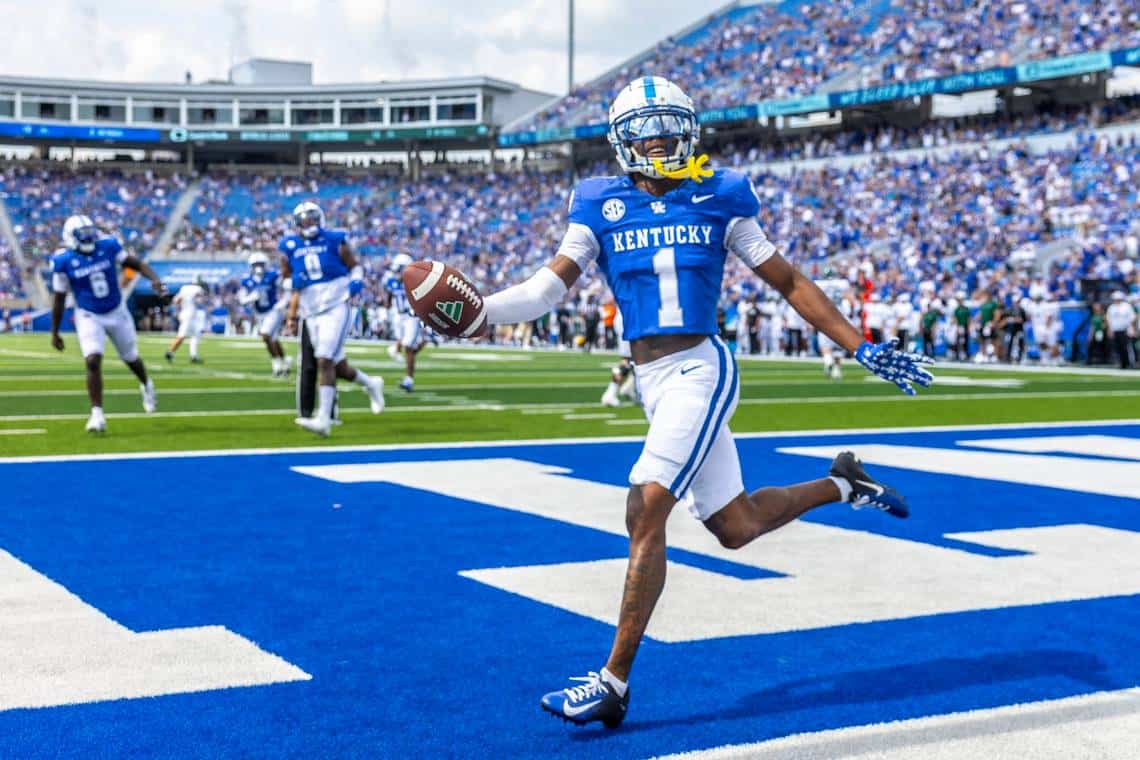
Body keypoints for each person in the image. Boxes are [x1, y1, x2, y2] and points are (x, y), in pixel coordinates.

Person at [471, 77, 934, 727]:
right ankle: (843, 483)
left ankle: (614, 682)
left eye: (670, 127)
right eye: (647, 130)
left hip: (700, 367)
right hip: (651, 381)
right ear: (623, 140)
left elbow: (789, 279)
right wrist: (481, 312)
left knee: (646, 504)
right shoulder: (598, 201)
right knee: (736, 527)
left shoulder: (720, 195)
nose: (660, 141)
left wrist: (858, 346)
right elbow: (548, 290)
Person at [49, 215, 165, 433]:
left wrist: (155, 279)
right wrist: (54, 332)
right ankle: (97, 415)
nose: (89, 237)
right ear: (70, 238)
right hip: (88, 314)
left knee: (130, 357)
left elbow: (135, 263)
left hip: (116, 310)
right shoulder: (62, 261)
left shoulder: (108, 246)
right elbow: (59, 298)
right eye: (82, 235)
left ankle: (146, 384)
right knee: (92, 360)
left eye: (90, 232)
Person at [279, 201, 386, 436]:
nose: (309, 223)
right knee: (338, 367)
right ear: (297, 224)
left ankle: (323, 419)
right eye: (305, 220)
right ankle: (371, 383)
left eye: (313, 218)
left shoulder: (334, 239)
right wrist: (291, 283)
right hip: (311, 312)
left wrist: (357, 280)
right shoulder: (289, 245)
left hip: (336, 306)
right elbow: (284, 277)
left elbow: (354, 266)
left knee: (324, 360)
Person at [239, 252, 292, 377]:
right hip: (259, 313)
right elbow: (242, 300)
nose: (258, 267)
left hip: (273, 310)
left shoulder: (273, 275)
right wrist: (250, 298)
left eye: (261, 264)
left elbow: (287, 287)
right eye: (256, 264)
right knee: (273, 339)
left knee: (265, 335)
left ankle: (276, 364)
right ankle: (284, 361)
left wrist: (284, 301)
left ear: (266, 264)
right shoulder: (247, 280)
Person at [383, 252, 424, 392]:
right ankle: (418, 345)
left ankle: (409, 380)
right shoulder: (391, 281)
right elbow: (388, 297)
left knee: (407, 346)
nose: (396, 272)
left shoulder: (415, 283)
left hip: (411, 317)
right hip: (398, 316)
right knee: (406, 345)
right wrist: (387, 311)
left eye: (399, 269)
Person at [165, 276, 209, 363]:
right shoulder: (198, 288)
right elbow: (200, 301)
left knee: (196, 334)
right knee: (182, 335)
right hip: (190, 314)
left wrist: (178, 310)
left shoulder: (184, 288)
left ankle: (193, 356)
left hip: (185, 313)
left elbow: (176, 300)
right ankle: (170, 352)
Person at [1106, 291, 1136, 369]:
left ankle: (1130, 363)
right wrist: (1110, 329)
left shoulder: (1127, 306)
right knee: (1118, 347)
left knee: (1127, 347)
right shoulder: (1111, 307)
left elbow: (1132, 318)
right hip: (1116, 330)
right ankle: (1122, 363)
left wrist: (1132, 329)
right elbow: (1109, 319)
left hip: (1125, 329)